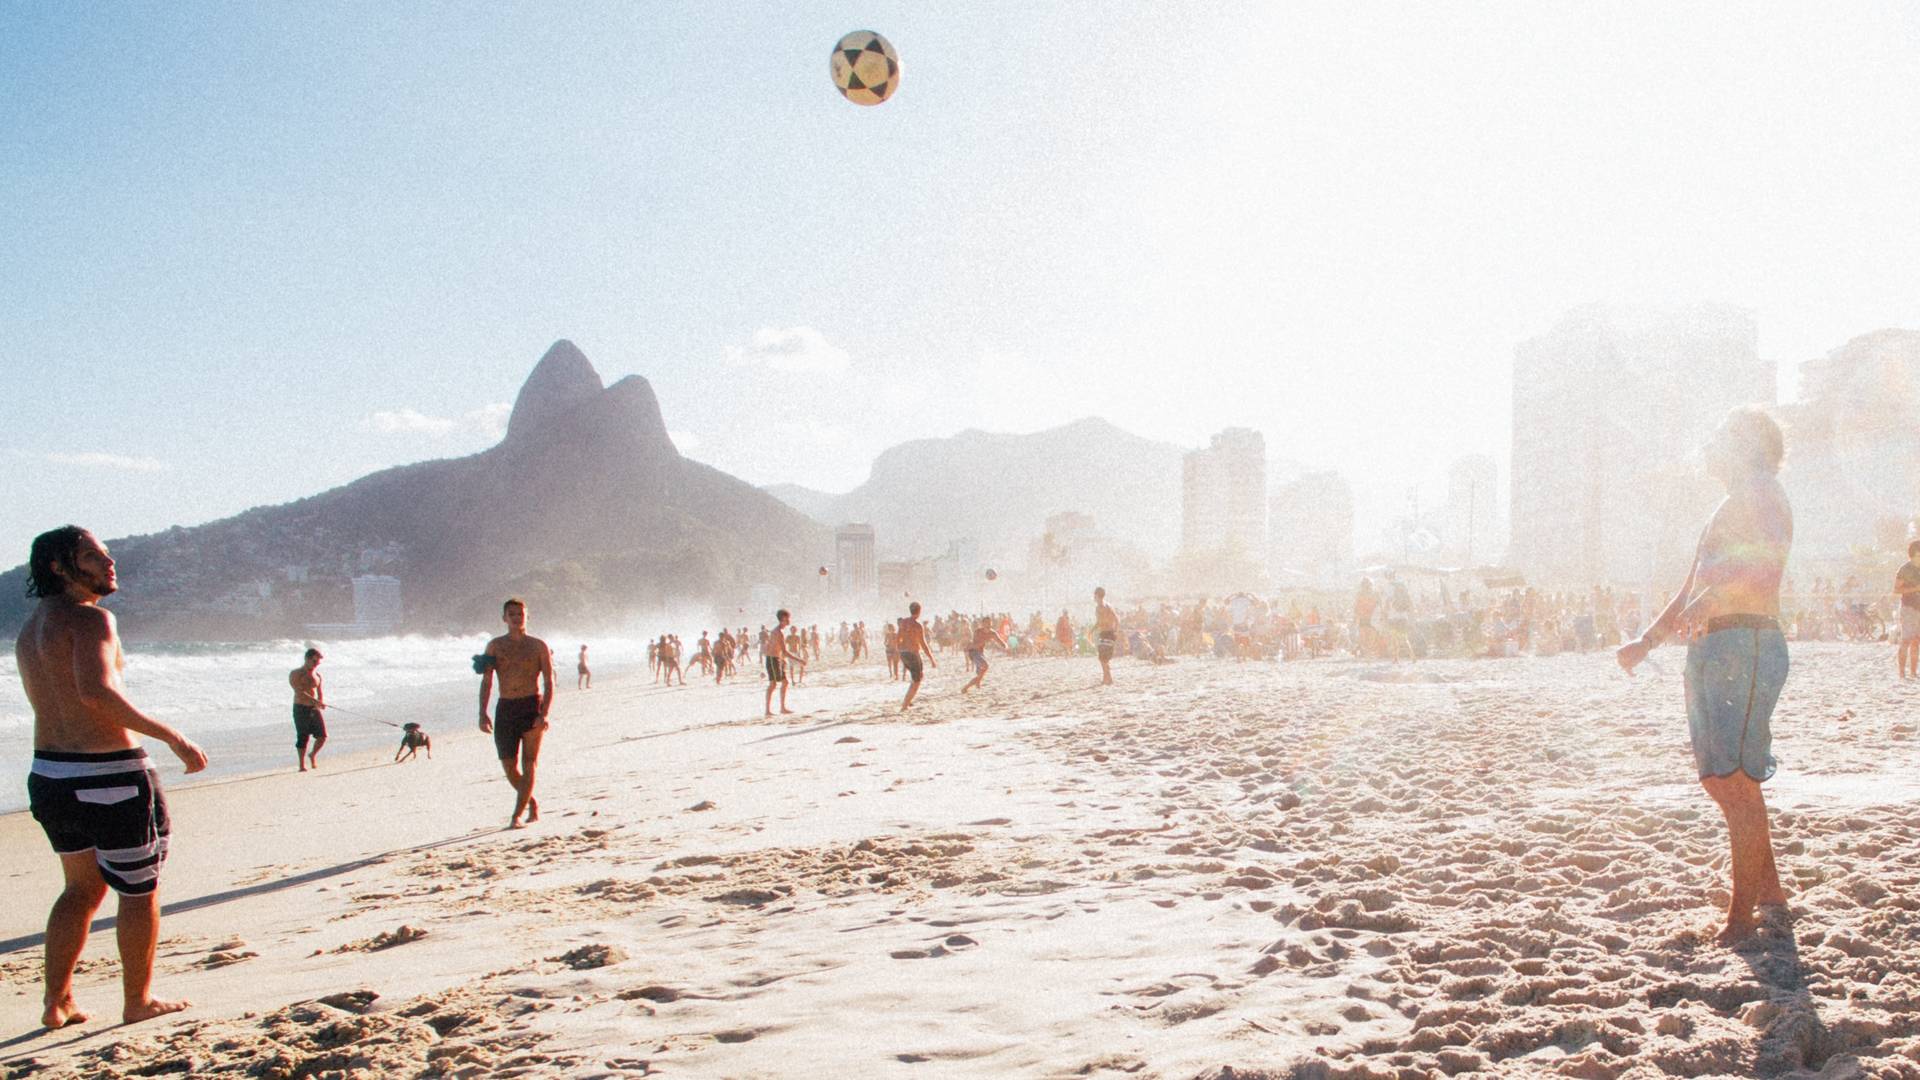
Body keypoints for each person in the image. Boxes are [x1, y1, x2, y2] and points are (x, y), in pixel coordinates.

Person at [15, 526, 208, 1028]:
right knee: (139, 891)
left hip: (51, 775)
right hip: (110, 775)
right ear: (59, 567)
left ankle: (57, 1002)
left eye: (107, 555)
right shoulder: (91, 620)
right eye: (93, 557)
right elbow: (97, 692)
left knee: (79, 890)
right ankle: (138, 1000)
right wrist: (172, 736)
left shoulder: (32, 627)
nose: (108, 564)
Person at [1617, 407, 1792, 944]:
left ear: (1745, 446)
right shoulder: (1727, 503)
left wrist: (1707, 600)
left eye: (1719, 437)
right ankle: (1770, 890)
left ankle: (1742, 916)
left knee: (1737, 779)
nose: (1709, 446)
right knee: (1719, 778)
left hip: (1746, 641)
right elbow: (1691, 583)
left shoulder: (1763, 492)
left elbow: (1760, 568)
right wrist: (1646, 641)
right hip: (1713, 645)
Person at [477, 597, 555, 829]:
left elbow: (550, 681)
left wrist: (544, 713)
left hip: (531, 705)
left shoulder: (538, 645)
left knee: (529, 762)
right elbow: (487, 681)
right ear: (504, 618)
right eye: (512, 614)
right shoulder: (495, 646)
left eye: (520, 614)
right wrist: (482, 712)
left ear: (526, 616)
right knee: (508, 765)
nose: (516, 618)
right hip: (506, 708)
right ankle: (530, 802)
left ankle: (516, 815)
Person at [288, 647, 327, 772]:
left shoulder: (317, 675)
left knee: (322, 736)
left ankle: (313, 755)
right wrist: (314, 701)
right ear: (307, 659)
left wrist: (320, 702)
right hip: (300, 708)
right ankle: (301, 764)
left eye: (318, 663)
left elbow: (319, 692)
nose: (316, 665)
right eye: (314, 662)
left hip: (314, 709)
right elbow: (299, 691)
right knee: (303, 736)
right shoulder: (296, 673)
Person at [897, 601, 937, 710]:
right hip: (913, 654)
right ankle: (905, 705)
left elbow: (898, 638)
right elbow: (923, 644)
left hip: (904, 653)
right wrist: (932, 659)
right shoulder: (918, 626)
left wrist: (899, 650)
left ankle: (908, 700)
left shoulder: (903, 622)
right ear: (919, 612)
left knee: (918, 677)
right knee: (917, 681)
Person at [960, 616, 1009, 694]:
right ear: (983, 624)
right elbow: (974, 645)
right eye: (987, 623)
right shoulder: (978, 632)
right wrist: (983, 641)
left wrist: (1005, 646)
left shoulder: (992, 633)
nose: (988, 625)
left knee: (982, 672)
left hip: (980, 653)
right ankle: (967, 686)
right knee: (985, 666)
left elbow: (999, 641)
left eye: (990, 623)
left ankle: (971, 685)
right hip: (973, 652)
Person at [1895, 540, 1920, 680]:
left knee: (1917, 640)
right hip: (1908, 608)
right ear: (1913, 555)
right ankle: (1902, 673)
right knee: (1906, 640)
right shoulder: (1905, 569)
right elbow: (1896, 589)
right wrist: (1915, 589)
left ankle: (1913, 672)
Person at [764, 609, 796, 716]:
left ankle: (782, 708)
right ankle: (767, 710)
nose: (789, 620)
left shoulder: (778, 631)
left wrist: (781, 660)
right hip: (772, 659)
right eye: (787, 618)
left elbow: (775, 647)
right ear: (783, 619)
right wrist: (799, 660)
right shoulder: (777, 632)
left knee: (785, 682)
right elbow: (784, 651)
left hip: (776, 659)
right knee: (773, 684)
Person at [1093, 586, 1120, 685]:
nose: (1093, 597)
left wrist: (1115, 631)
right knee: (1103, 658)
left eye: (1094, 595)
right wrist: (1092, 630)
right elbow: (1100, 622)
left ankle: (1108, 679)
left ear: (1097, 595)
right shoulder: (1106, 606)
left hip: (1108, 633)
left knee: (1103, 658)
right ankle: (1107, 678)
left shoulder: (1104, 606)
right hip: (1105, 633)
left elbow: (1116, 619)